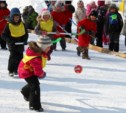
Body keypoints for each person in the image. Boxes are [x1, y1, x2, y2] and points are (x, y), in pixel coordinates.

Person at [18, 36, 52, 112]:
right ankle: (34, 106)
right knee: (35, 86)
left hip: (29, 70)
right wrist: (42, 74)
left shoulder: (38, 51)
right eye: (48, 47)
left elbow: (43, 54)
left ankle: (24, 91)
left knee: (33, 84)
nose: (49, 49)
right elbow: (38, 71)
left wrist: (47, 55)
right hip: (26, 71)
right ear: (42, 47)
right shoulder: (35, 57)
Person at [1, 7, 28, 77]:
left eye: (18, 17)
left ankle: (17, 70)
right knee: (13, 57)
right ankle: (11, 70)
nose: (16, 18)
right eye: (15, 17)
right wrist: (9, 41)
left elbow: (25, 34)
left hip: (20, 44)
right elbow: (3, 35)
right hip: (12, 44)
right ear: (11, 17)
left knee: (20, 57)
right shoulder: (8, 25)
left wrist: (25, 40)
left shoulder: (22, 25)